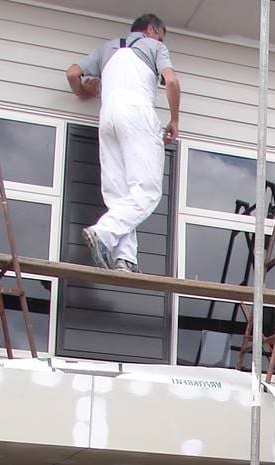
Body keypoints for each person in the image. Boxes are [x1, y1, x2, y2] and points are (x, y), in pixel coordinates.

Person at [66, 13, 181, 273]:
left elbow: (73, 73)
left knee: (119, 195)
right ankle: (103, 232)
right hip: (136, 112)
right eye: (161, 36)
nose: (162, 41)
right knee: (147, 191)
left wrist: (84, 91)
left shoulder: (107, 48)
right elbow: (171, 81)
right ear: (152, 30)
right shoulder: (155, 46)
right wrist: (174, 119)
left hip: (108, 117)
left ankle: (124, 260)